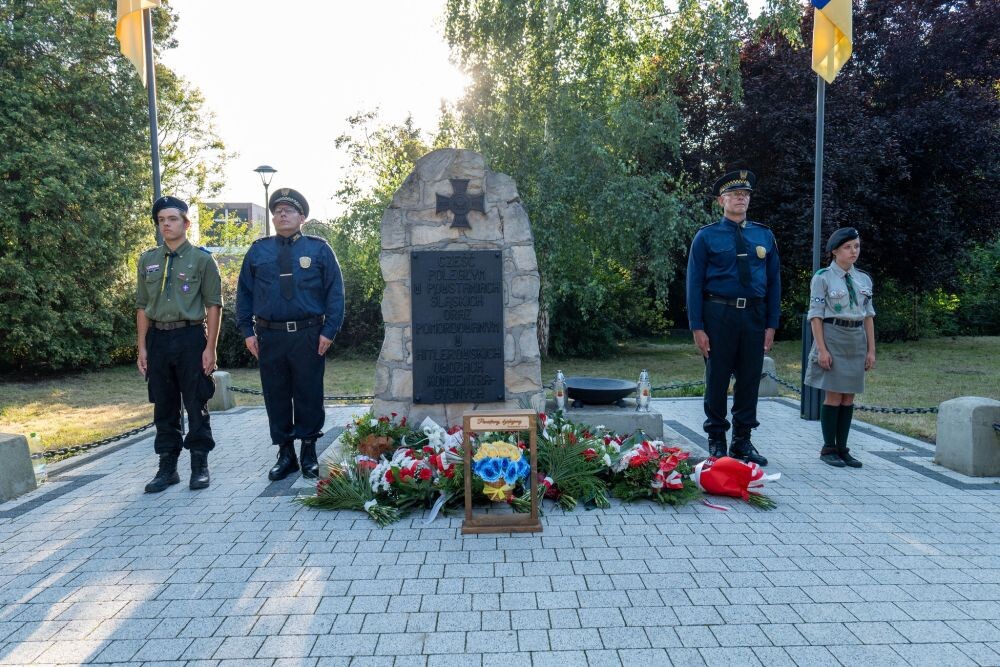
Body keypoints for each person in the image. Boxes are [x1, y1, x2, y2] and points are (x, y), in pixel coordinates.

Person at [236, 188, 345, 481]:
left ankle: (309, 451)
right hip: (269, 336)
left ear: (302, 217)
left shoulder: (319, 249)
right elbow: (244, 294)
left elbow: (335, 292)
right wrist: (247, 331)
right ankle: (285, 453)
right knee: (276, 394)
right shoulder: (258, 250)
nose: (281, 214)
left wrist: (329, 330)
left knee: (309, 393)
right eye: (277, 210)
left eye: (288, 210)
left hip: (308, 334)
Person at [686, 169, 780, 466]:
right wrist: (697, 327)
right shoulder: (706, 236)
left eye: (746, 194)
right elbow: (694, 285)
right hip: (719, 314)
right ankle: (717, 440)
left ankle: (742, 441)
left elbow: (775, 282)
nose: (742, 198)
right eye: (735, 194)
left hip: (754, 314)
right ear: (721, 201)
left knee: (750, 379)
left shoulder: (764, 235)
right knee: (717, 378)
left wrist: (771, 324)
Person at [136, 195, 222, 493]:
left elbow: (213, 306)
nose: (166, 225)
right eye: (161, 220)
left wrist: (210, 347)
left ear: (186, 223)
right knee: (164, 404)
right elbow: (142, 306)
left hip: (190, 338)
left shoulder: (202, 259)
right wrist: (142, 347)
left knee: (196, 402)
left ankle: (199, 465)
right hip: (158, 339)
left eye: (172, 219)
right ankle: (167, 467)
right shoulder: (148, 260)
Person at [804, 227, 876, 468]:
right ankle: (828, 448)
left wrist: (871, 350)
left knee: (849, 396)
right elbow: (815, 316)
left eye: (856, 246)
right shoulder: (823, 277)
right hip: (833, 335)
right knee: (834, 394)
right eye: (848, 247)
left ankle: (843, 447)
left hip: (856, 338)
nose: (853, 251)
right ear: (835, 251)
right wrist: (822, 350)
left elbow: (868, 316)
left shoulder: (863, 279)